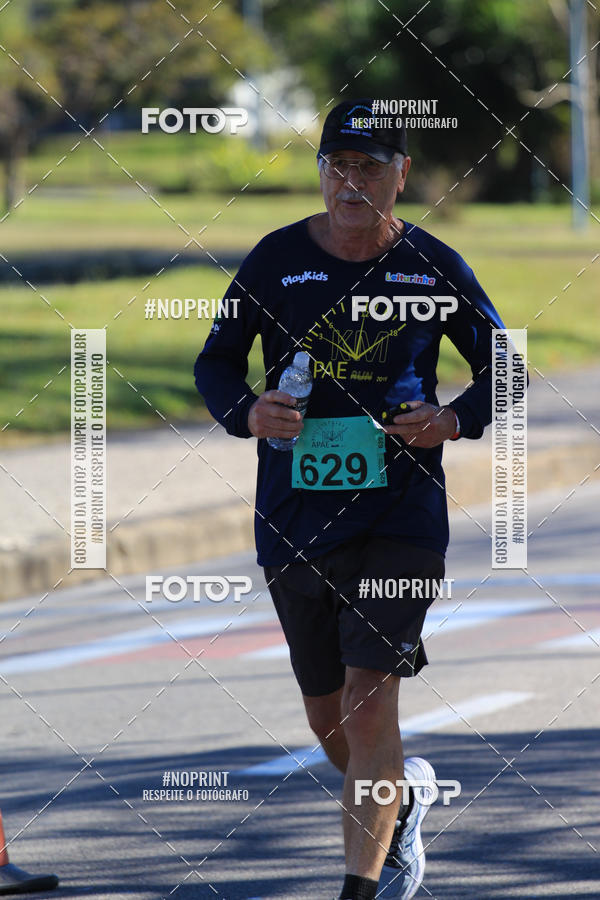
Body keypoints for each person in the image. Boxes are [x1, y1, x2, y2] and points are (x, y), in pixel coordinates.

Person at [195, 98, 507, 900]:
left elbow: (503, 365)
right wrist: (246, 413)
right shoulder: (274, 260)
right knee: (328, 720)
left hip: (402, 514)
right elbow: (217, 362)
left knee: (371, 712)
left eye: (371, 166)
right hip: (295, 517)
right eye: (339, 164)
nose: (352, 181)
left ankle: (362, 889)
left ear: (403, 174)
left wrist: (453, 419)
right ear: (322, 171)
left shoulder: (432, 265)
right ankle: (398, 800)